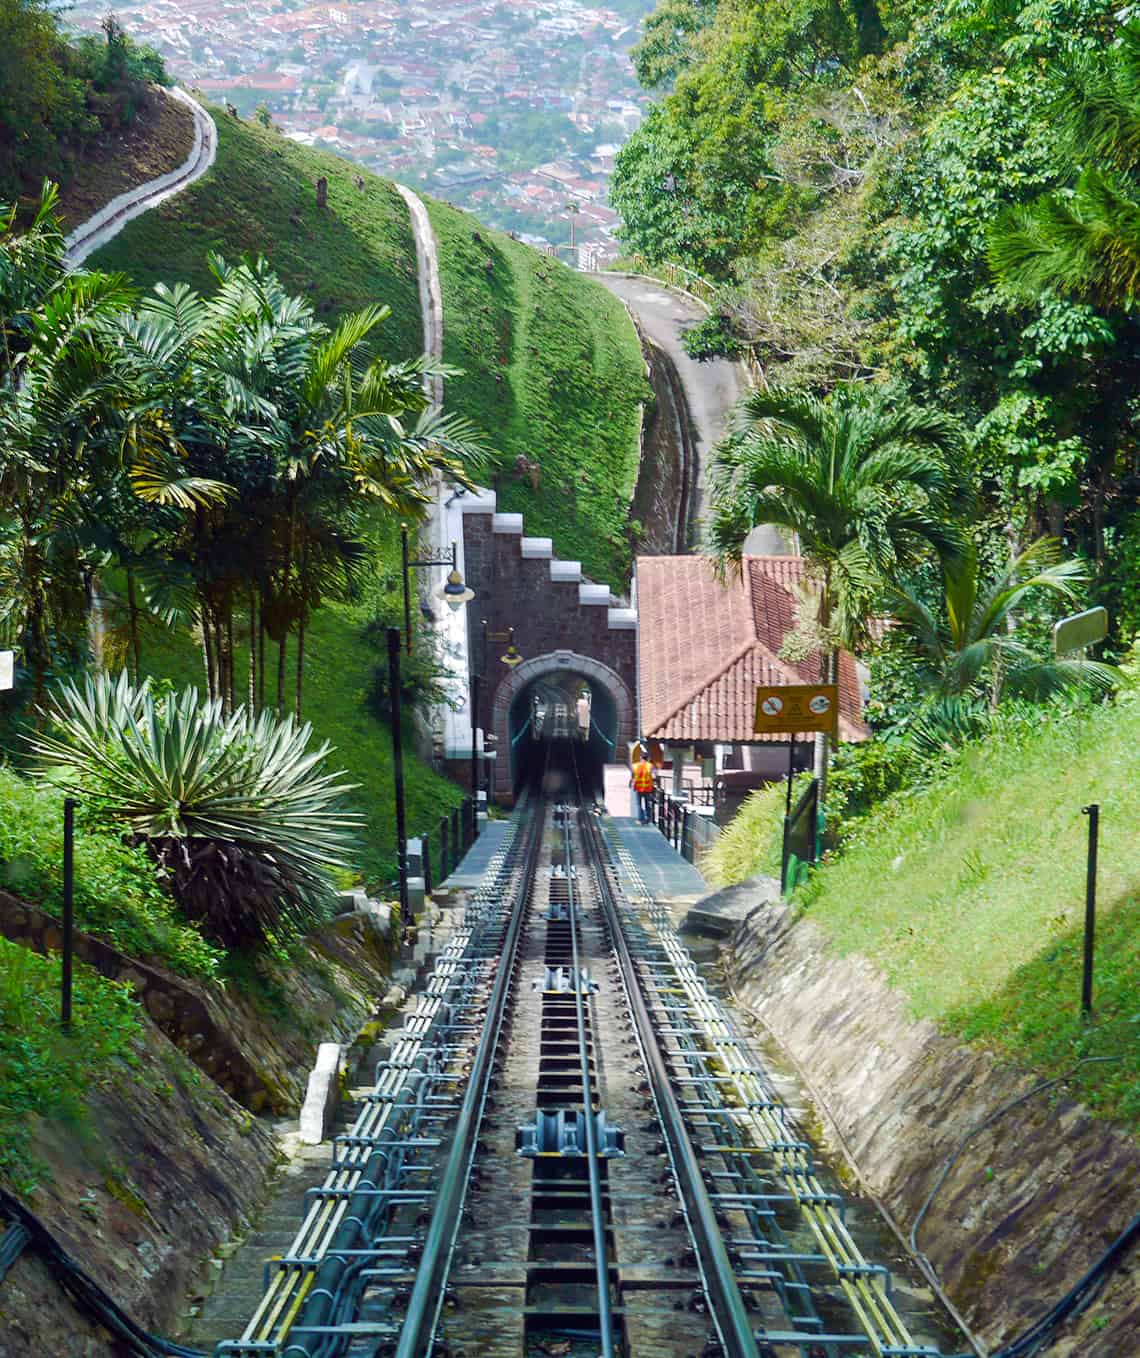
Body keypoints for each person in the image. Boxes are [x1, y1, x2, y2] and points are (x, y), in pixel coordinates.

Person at [631, 750, 655, 823]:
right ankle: (648, 819)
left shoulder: (635, 766)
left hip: (638, 788)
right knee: (647, 803)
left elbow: (633, 777)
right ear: (647, 758)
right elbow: (654, 776)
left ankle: (640, 819)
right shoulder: (650, 766)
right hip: (647, 788)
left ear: (640, 757)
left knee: (639, 804)